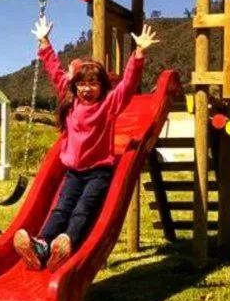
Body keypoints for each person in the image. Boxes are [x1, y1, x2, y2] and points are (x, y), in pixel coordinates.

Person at [13, 17, 159, 270]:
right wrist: (44, 41)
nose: (86, 88)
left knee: (82, 210)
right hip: (73, 173)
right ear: (74, 86)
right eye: (81, 83)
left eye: (93, 83)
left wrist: (139, 53)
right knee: (60, 209)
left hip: (98, 173)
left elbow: (127, 85)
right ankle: (42, 247)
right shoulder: (70, 103)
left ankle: (67, 241)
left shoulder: (107, 106)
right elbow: (55, 71)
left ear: (102, 86)